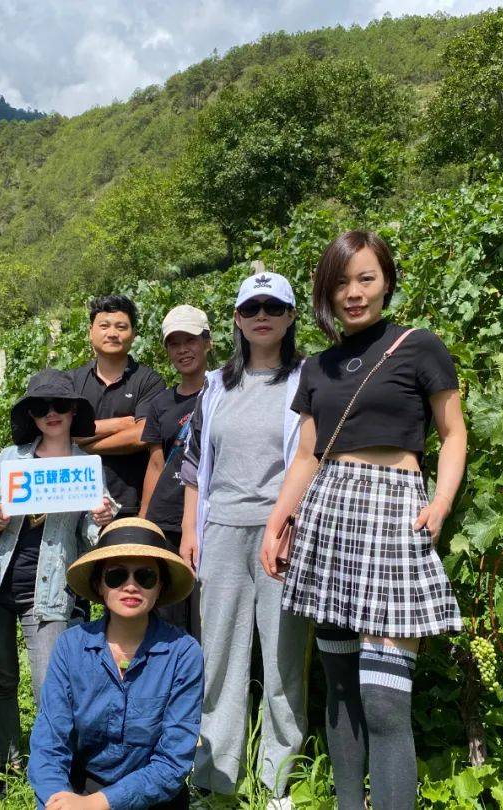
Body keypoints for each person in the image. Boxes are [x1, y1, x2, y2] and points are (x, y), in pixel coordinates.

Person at [261, 231, 466, 810]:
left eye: (366, 279)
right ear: (327, 292)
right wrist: (279, 523)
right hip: (327, 516)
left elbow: (453, 434)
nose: (353, 293)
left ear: (386, 282)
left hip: (394, 510)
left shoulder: (418, 346)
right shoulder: (318, 368)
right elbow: (307, 455)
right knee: (341, 690)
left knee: (384, 701)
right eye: (341, 283)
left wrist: (441, 502)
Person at [179, 270, 309, 807]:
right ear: (236, 318)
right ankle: (216, 774)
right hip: (223, 530)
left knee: (284, 657)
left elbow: (311, 459)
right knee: (220, 656)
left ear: (290, 317)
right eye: (252, 307)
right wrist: (191, 529)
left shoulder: (307, 379)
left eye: (273, 307)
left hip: (284, 532)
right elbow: (193, 465)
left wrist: (290, 523)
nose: (262, 316)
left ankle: (281, 778)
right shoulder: (215, 387)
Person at [0, 369, 115, 785]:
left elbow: (89, 536)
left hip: (49, 593)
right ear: (30, 415)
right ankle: (9, 760)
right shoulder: (10, 459)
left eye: (60, 406)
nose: (51, 414)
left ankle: (49, 770)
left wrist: (102, 519)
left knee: (50, 686)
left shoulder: (86, 467)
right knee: (1, 678)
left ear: (73, 412)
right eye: (41, 407)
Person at [28, 518, 203, 810]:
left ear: (160, 587)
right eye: (117, 576)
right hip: (80, 789)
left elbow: (173, 761)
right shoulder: (71, 647)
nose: (131, 586)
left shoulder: (183, 653)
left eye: (145, 577)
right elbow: (49, 741)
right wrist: (57, 799)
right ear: (99, 584)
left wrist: (98, 804)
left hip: (152, 794)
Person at [139, 305, 211, 636]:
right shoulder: (160, 405)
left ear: (208, 342)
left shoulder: (224, 393)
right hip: (167, 518)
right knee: (168, 612)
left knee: (208, 611)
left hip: (209, 518)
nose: (183, 350)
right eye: (174, 343)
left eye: (190, 340)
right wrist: (144, 520)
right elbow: (156, 463)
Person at [70, 295, 166, 517]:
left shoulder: (149, 381)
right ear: (90, 332)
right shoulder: (72, 381)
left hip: (128, 505)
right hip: (78, 504)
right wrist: (120, 424)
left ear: (133, 335)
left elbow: (141, 434)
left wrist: (85, 445)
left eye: (121, 327)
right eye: (104, 326)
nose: (112, 333)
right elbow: (61, 430)